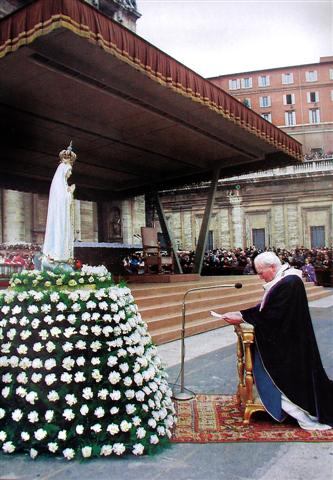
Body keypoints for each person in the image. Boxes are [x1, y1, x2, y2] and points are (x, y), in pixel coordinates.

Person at [220, 251, 333, 430]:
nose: (259, 277)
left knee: (276, 371)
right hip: (291, 339)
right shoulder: (283, 280)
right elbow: (268, 309)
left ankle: (300, 410)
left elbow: (273, 315)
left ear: (272, 267)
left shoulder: (289, 283)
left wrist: (242, 317)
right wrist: (241, 314)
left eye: (260, 272)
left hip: (290, 346)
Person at [42, 143, 76, 265]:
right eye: (69, 171)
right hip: (59, 219)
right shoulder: (58, 185)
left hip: (63, 218)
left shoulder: (63, 184)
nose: (70, 173)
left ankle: (62, 256)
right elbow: (61, 201)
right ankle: (57, 255)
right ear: (64, 170)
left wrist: (69, 192)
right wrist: (70, 192)